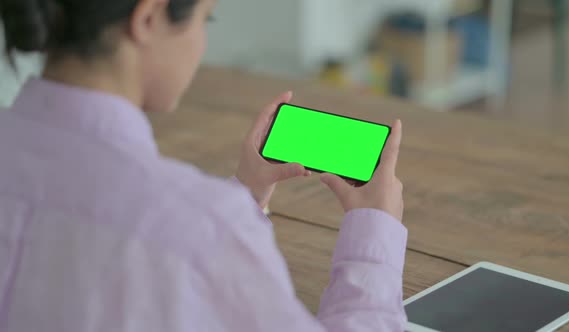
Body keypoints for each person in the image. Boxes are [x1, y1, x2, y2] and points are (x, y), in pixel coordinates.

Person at [0, 0, 407, 331]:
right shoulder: (202, 229)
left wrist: (241, 198)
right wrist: (374, 233)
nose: (202, 41)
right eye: (204, 18)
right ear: (148, 18)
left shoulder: (203, 224)